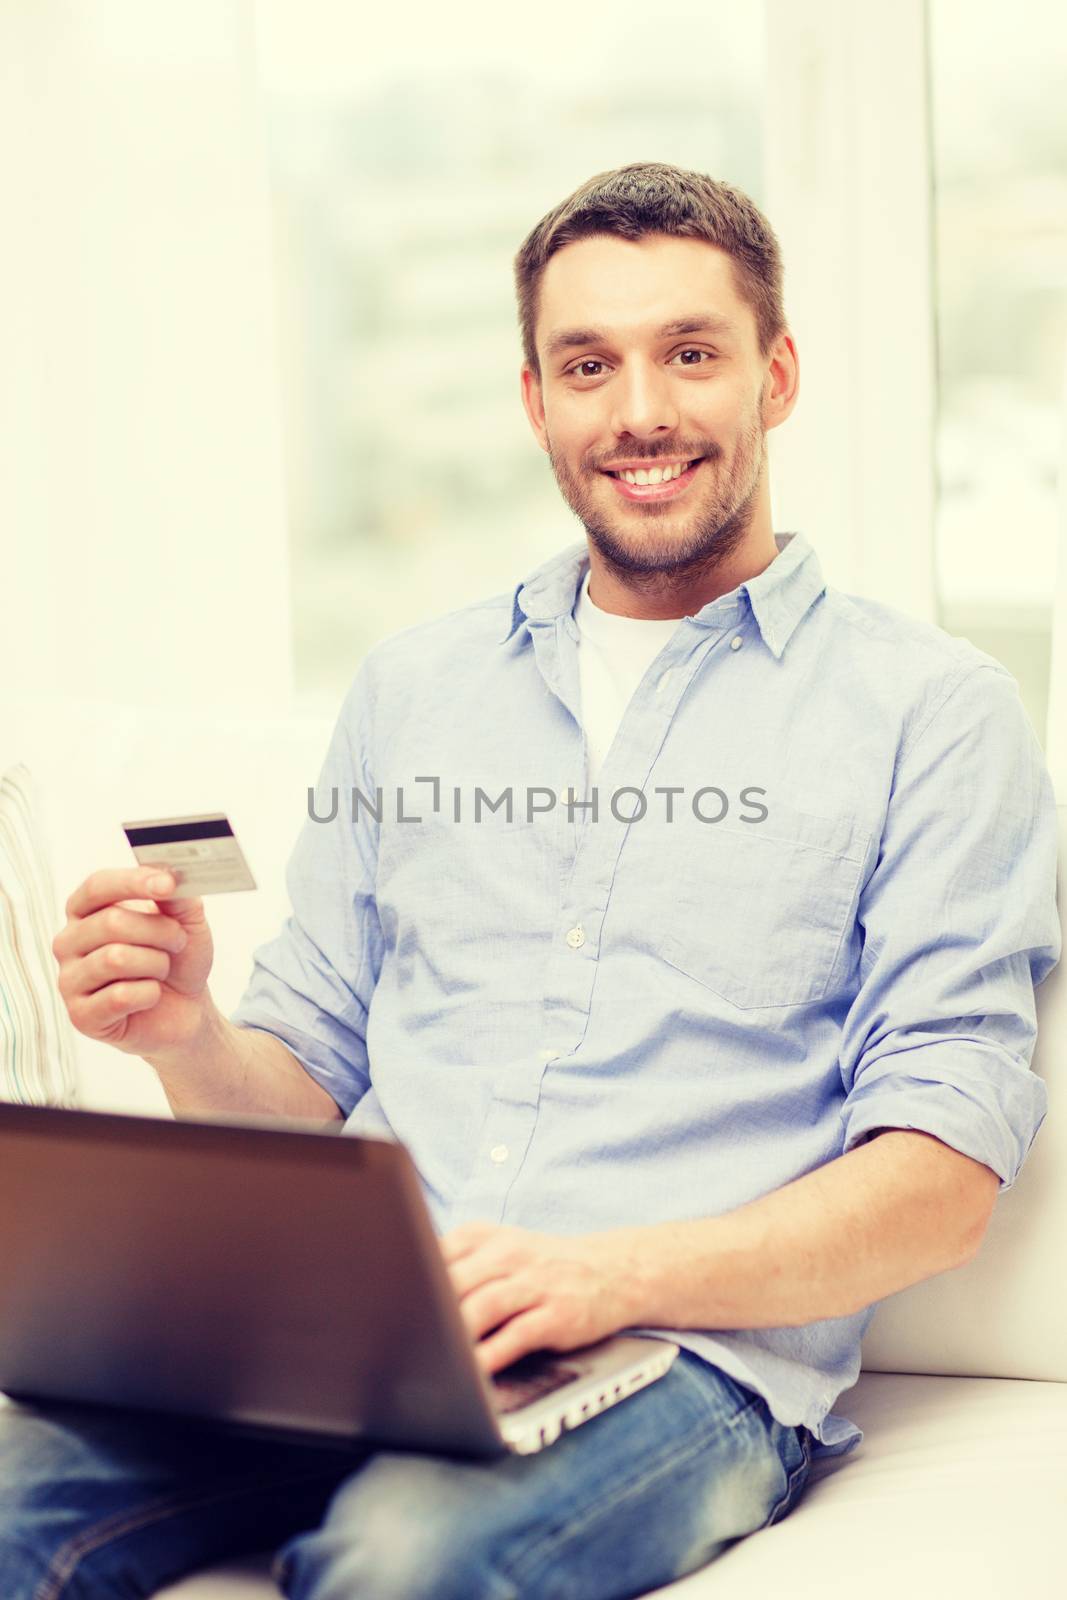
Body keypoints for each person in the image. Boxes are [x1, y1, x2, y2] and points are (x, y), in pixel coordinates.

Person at [4, 162, 1060, 1599]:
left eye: (691, 353)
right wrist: (186, 1033)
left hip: (678, 1359)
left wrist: (610, 1278)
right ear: (534, 401)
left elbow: (939, 1187)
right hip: (338, 1335)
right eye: (588, 365)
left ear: (778, 375)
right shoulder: (415, 688)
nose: (640, 412)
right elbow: (302, 1076)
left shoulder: (934, 714)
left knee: (400, 1563)